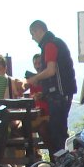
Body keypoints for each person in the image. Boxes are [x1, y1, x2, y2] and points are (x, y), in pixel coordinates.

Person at [24, 20, 76, 156]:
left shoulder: (50, 44)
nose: (32, 38)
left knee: (56, 132)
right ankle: (63, 160)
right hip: (62, 92)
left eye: (32, 33)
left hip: (59, 95)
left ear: (39, 30)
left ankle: (62, 162)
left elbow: (51, 70)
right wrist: (44, 93)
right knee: (59, 131)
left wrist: (35, 78)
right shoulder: (55, 43)